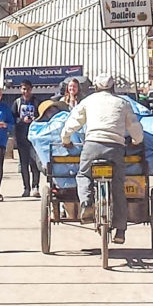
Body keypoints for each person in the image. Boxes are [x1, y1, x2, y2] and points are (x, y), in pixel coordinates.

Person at [59, 77, 145, 245]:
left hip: (92, 147)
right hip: (115, 149)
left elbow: (72, 123)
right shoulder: (123, 103)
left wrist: (66, 139)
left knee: (83, 175)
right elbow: (135, 127)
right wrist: (137, 141)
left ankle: (86, 203)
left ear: (95, 87)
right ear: (113, 88)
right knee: (118, 185)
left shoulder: (88, 101)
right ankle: (120, 229)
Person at [13, 85, 41, 198]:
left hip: (34, 138)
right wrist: (21, 120)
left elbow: (42, 116)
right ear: (21, 90)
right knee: (24, 164)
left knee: (35, 164)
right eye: (24, 89)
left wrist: (35, 119)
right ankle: (26, 188)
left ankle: (35, 187)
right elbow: (12, 118)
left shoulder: (36, 102)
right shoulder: (17, 102)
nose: (26, 91)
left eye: (28, 89)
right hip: (21, 138)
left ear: (31, 89)